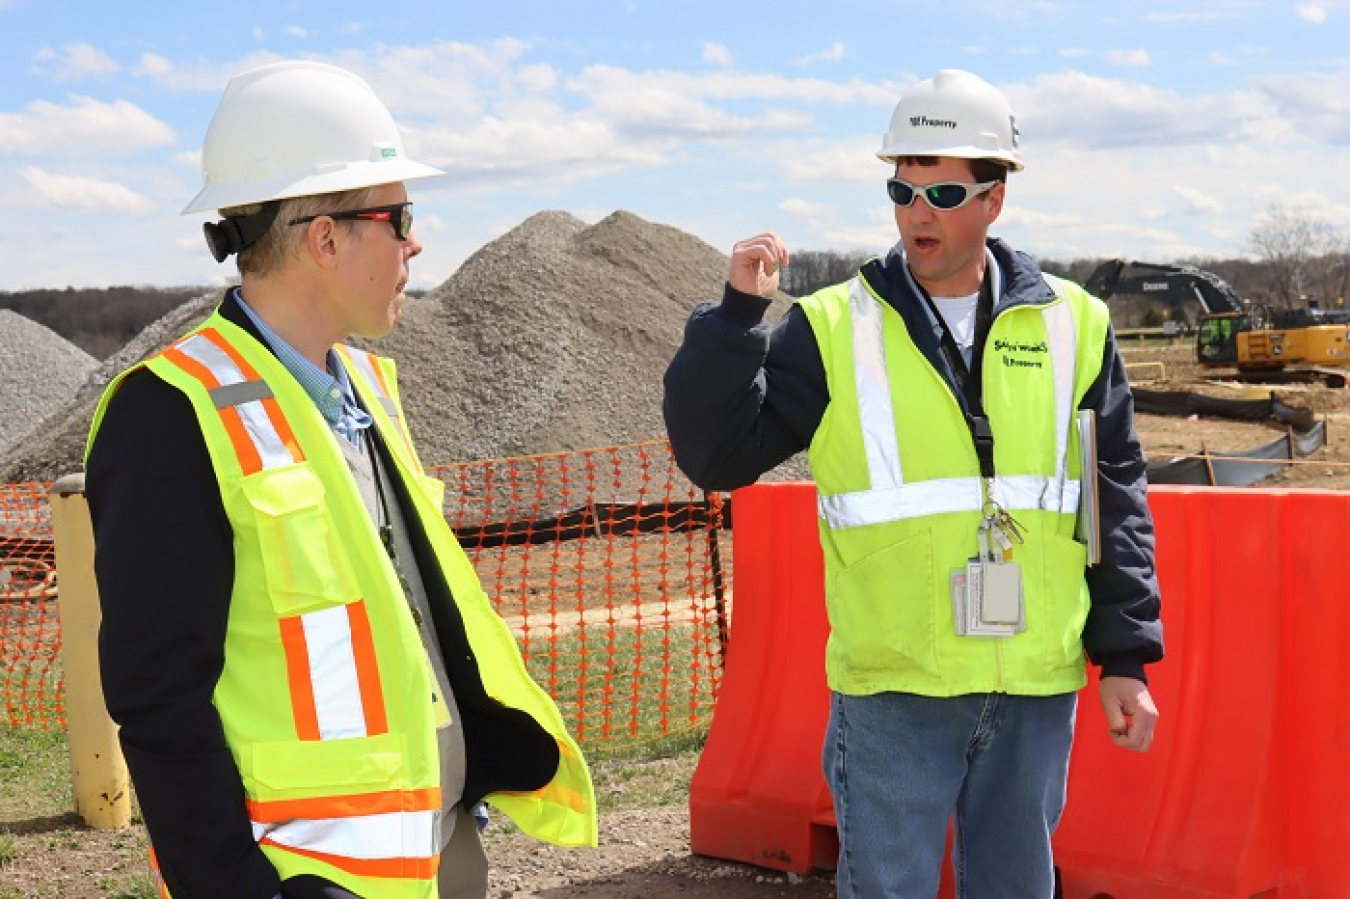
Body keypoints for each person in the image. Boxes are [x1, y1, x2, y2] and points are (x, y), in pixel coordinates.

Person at [85, 60, 596, 899]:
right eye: (398, 218)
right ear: (325, 238)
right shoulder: (169, 414)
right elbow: (157, 698)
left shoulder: (366, 392)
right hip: (308, 874)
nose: (415, 241)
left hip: (434, 849)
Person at [663, 69, 1163, 898]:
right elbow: (715, 457)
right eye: (901, 187)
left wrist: (1126, 655)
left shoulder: (1076, 322)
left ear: (995, 198)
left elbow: (1112, 496)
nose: (915, 210)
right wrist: (731, 325)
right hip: (896, 689)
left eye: (942, 190)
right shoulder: (831, 326)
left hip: (1035, 685)